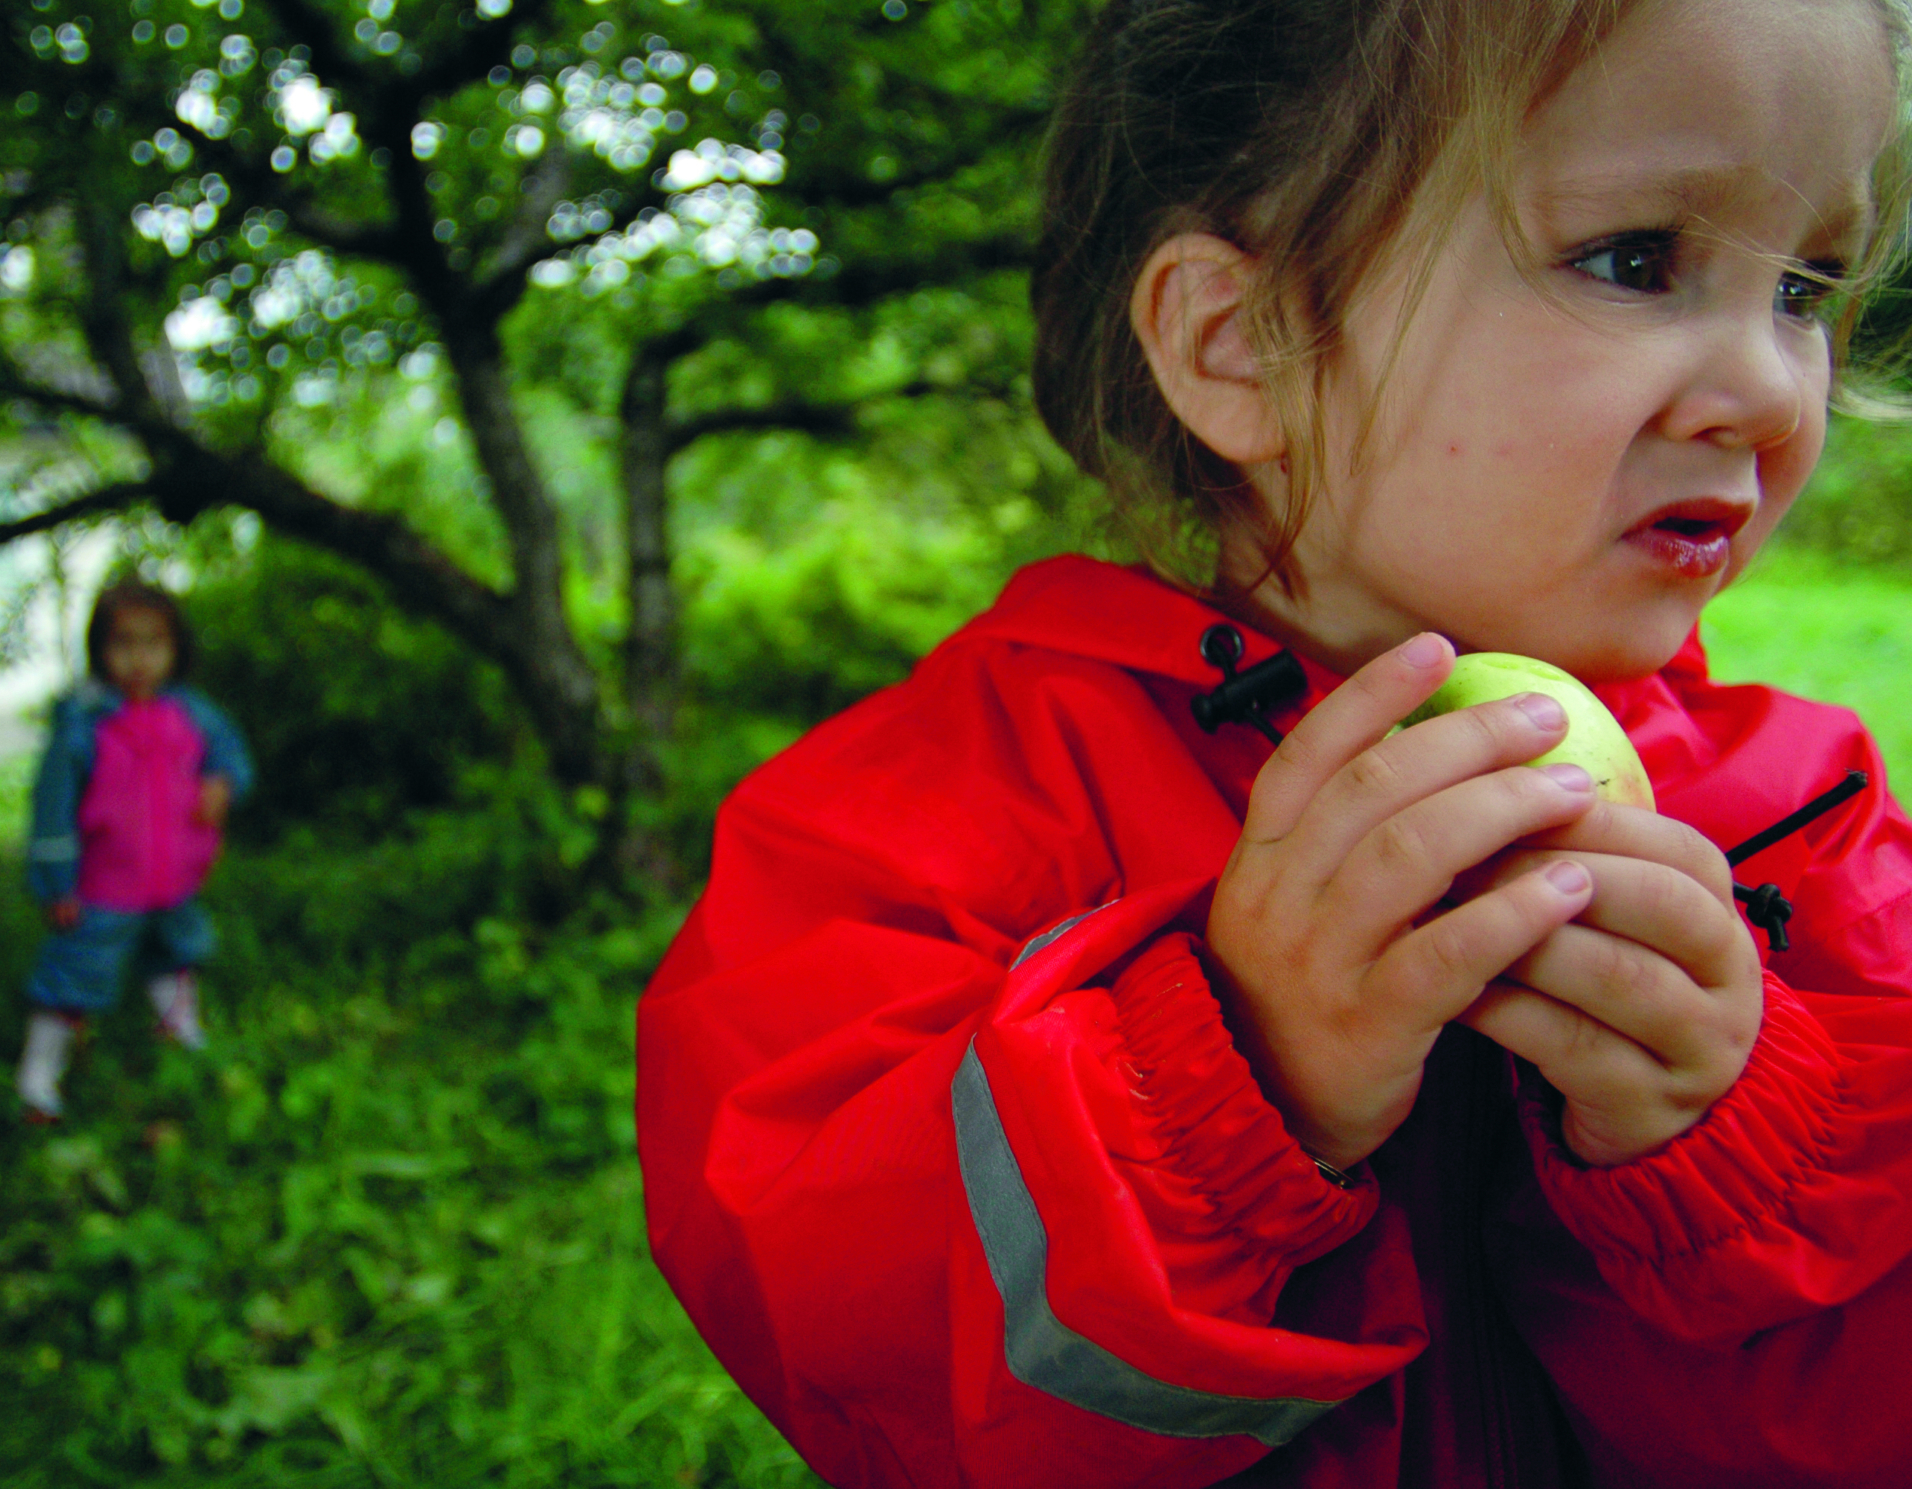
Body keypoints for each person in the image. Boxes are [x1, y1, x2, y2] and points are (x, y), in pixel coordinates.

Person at [637, 0, 1912, 1485]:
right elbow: (849, 1332)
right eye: (1635, 260)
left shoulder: (1800, 830)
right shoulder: (953, 812)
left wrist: (1748, 1154)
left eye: (1806, 288)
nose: (1769, 392)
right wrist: (1224, 1083)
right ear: (1242, 344)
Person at [14, 578, 253, 1123]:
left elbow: (231, 757)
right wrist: (56, 884)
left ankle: (182, 1038)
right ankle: (38, 1078)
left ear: (176, 649)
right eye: (123, 644)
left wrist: (223, 783)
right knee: (71, 975)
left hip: (174, 880)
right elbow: (51, 808)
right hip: (105, 886)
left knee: (174, 956)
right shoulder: (85, 722)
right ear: (99, 649)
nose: (139, 659)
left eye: (154, 644)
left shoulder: (191, 712)